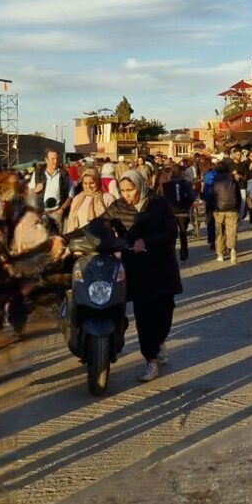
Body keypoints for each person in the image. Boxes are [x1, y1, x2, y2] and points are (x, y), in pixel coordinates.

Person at [104, 169, 182, 383]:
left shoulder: (159, 204)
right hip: (137, 269)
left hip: (161, 266)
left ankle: (159, 341)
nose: (127, 195)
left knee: (165, 312)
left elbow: (170, 231)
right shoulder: (118, 207)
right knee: (143, 315)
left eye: (130, 190)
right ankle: (150, 359)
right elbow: (99, 226)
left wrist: (146, 241)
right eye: (123, 190)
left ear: (140, 186)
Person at [206, 160, 241, 264]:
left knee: (219, 231)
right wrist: (238, 207)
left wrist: (210, 209)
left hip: (218, 209)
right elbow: (238, 195)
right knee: (232, 230)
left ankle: (220, 254)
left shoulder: (214, 180)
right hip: (232, 209)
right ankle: (232, 249)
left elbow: (211, 196)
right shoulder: (232, 179)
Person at [32, 150, 73, 229]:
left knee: (56, 239)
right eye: (52, 159)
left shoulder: (64, 174)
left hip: (56, 213)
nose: (55, 161)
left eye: (57, 159)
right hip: (40, 213)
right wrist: (34, 190)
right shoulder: (38, 173)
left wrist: (62, 209)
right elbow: (28, 193)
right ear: (46, 160)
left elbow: (71, 195)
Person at [162, 164, 195, 262]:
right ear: (181, 172)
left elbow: (163, 198)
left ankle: (171, 252)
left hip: (170, 212)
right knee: (183, 233)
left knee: (172, 234)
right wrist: (187, 206)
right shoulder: (186, 183)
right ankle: (184, 252)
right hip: (183, 212)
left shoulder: (166, 185)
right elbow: (191, 197)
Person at [64, 167, 107, 233]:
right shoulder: (77, 199)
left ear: (98, 182)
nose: (88, 186)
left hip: (101, 239)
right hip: (79, 240)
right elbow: (71, 222)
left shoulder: (106, 198)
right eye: (85, 183)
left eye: (91, 183)